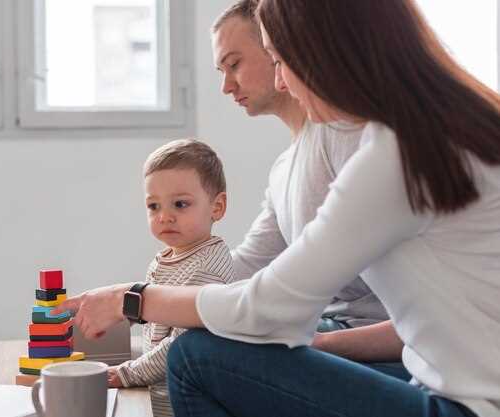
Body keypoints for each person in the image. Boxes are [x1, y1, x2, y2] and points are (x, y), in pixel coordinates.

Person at [54, 0, 500, 416]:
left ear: (322, 51)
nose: (283, 80)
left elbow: (271, 307)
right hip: (442, 388)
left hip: (461, 405)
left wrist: (132, 300)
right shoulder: (440, 127)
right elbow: (250, 280)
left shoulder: (397, 153)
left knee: (197, 358)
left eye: (281, 60)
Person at [211, 0, 407, 372]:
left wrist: (314, 344)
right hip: (330, 329)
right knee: (206, 335)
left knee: (203, 354)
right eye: (220, 70)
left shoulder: (351, 138)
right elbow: (243, 268)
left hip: (379, 347)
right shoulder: (284, 168)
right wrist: (145, 293)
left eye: (234, 64)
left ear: (277, 49)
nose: (225, 85)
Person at [104, 139, 234, 417]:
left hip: (185, 401)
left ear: (217, 207)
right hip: (160, 392)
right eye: (153, 206)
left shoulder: (208, 266)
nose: (164, 216)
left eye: (180, 204)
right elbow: (155, 323)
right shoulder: (168, 258)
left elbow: (180, 344)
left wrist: (127, 373)